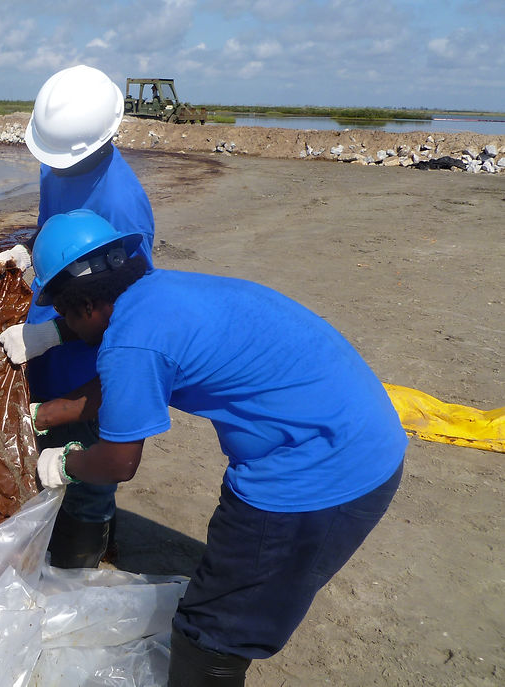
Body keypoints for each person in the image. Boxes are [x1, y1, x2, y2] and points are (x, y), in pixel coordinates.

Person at [21, 209, 407, 686]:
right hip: (360, 429)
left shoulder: (131, 341)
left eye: (63, 316)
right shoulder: (156, 293)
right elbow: (126, 381)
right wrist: (43, 415)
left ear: (84, 306)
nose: (67, 327)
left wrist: (59, 464)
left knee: (210, 636)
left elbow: (119, 462)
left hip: (319, 471)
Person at [0, 64, 155, 568]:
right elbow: (51, 224)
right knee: (42, 457)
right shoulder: (58, 160)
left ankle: (82, 561)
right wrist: (27, 249)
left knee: (86, 472)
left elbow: (129, 311)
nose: (56, 168)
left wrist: (56, 333)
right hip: (50, 329)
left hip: (88, 353)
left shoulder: (123, 205)